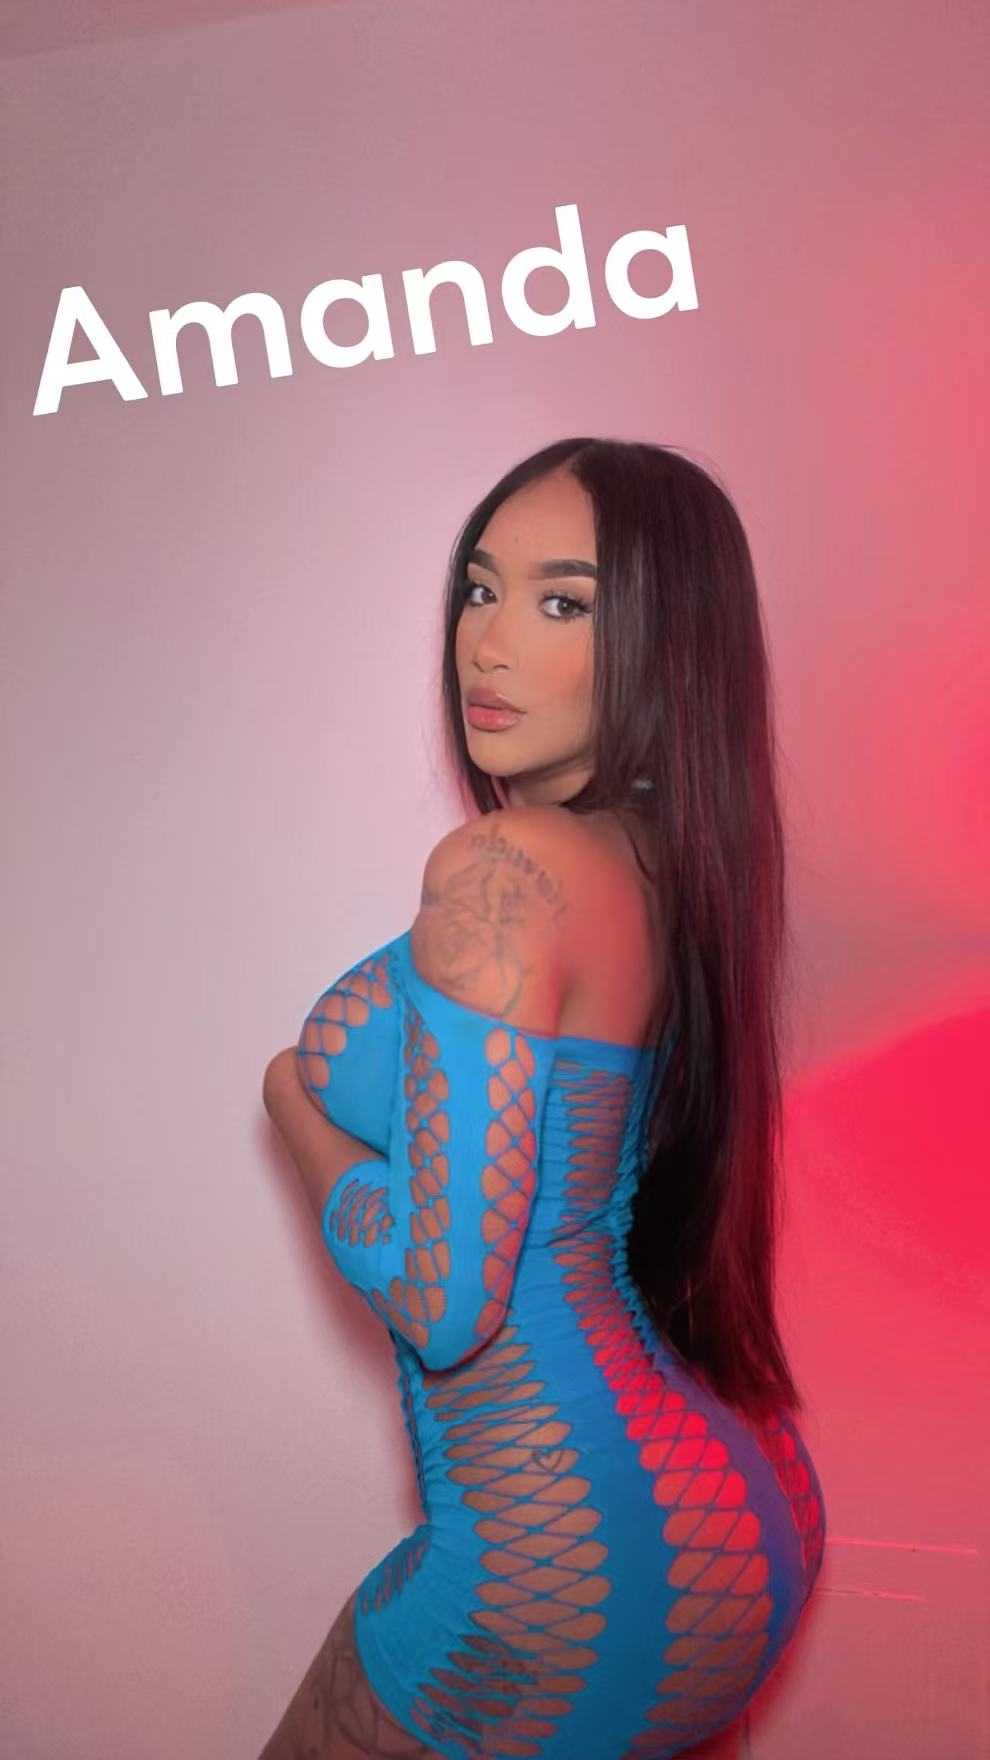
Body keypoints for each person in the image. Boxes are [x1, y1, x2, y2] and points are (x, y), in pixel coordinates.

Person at [259, 438, 827, 1760]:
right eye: (479, 588)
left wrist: (293, 1105)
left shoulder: (505, 872)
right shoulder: (673, 869)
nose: (490, 642)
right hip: (740, 1505)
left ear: (664, 643)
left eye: (562, 602)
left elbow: (442, 1303)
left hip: (564, 1554)